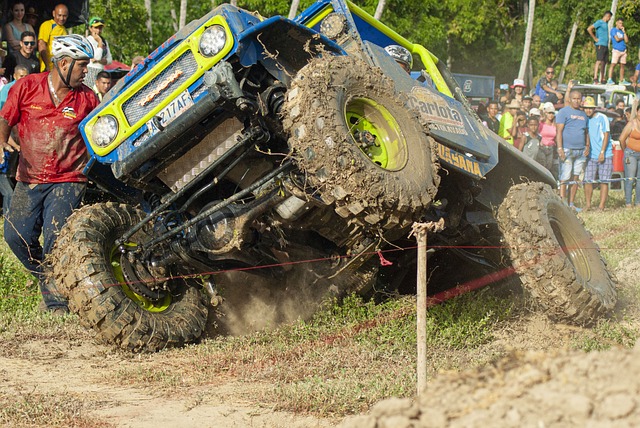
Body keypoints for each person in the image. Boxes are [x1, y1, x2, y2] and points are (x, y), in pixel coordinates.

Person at [0, 35, 98, 314]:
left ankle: (56, 304)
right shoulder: (27, 86)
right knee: (14, 236)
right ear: (63, 63)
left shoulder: (88, 98)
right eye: (81, 65)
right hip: (29, 177)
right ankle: (50, 281)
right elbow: (5, 118)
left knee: (55, 237)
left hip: (69, 179)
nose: (85, 71)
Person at [0, 64, 27, 217]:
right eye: (21, 76)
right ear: (15, 76)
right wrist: (15, 145)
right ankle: (9, 216)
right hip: (10, 137)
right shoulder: (7, 90)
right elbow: (5, 121)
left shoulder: (29, 88)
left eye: (26, 75)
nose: (24, 79)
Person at [556, 89, 589, 211]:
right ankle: (562, 203)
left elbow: (586, 132)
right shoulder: (563, 112)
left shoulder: (583, 114)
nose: (576, 101)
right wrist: (560, 148)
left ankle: (571, 204)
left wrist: (587, 146)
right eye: (574, 98)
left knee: (575, 178)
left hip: (580, 151)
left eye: (579, 98)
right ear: (569, 99)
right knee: (565, 176)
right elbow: (558, 131)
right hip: (567, 150)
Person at [583, 96, 612, 211]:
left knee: (604, 181)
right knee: (588, 179)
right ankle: (588, 205)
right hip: (591, 155)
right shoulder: (587, 120)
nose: (588, 110)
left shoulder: (602, 117)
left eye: (590, 108)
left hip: (605, 154)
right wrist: (588, 146)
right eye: (586, 108)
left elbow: (606, 135)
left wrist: (602, 152)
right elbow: (588, 134)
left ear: (594, 108)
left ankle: (601, 206)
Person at [619, 99, 640, 207]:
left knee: (639, 180)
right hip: (630, 154)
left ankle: (638, 202)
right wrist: (625, 152)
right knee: (630, 179)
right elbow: (621, 139)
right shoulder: (631, 124)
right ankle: (628, 203)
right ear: (637, 112)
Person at [38, 4, 68, 72]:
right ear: (54, 13)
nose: (61, 18)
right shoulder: (47, 25)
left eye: (64, 16)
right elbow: (41, 45)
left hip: (59, 69)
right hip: (47, 68)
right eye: (59, 15)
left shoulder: (64, 30)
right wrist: (47, 66)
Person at [86, 17, 112, 89]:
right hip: (90, 71)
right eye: (96, 28)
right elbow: (97, 56)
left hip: (101, 71)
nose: (98, 30)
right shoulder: (88, 41)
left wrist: (99, 60)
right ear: (91, 28)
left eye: (100, 28)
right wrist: (99, 42)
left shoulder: (104, 41)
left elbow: (109, 60)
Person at [587, 11, 612, 84]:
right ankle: (595, 77)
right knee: (599, 60)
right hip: (600, 44)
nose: (610, 19)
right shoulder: (599, 22)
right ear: (607, 16)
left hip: (605, 44)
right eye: (609, 17)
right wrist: (595, 38)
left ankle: (602, 78)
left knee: (604, 61)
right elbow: (589, 29)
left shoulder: (606, 24)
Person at [607, 18, 630, 85]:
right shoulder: (614, 30)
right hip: (616, 50)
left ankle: (621, 80)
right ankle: (609, 79)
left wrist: (624, 32)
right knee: (613, 64)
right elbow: (617, 39)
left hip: (623, 50)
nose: (621, 24)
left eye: (622, 23)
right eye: (620, 23)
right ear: (616, 23)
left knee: (622, 65)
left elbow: (626, 41)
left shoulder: (622, 32)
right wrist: (622, 38)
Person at [538, 102, 557, 176]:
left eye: (552, 113)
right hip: (542, 147)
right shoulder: (541, 124)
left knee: (549, 166)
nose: (551, 115)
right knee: (542, 166)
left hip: (551, 148)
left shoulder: (554, 125)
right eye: (549, 113)